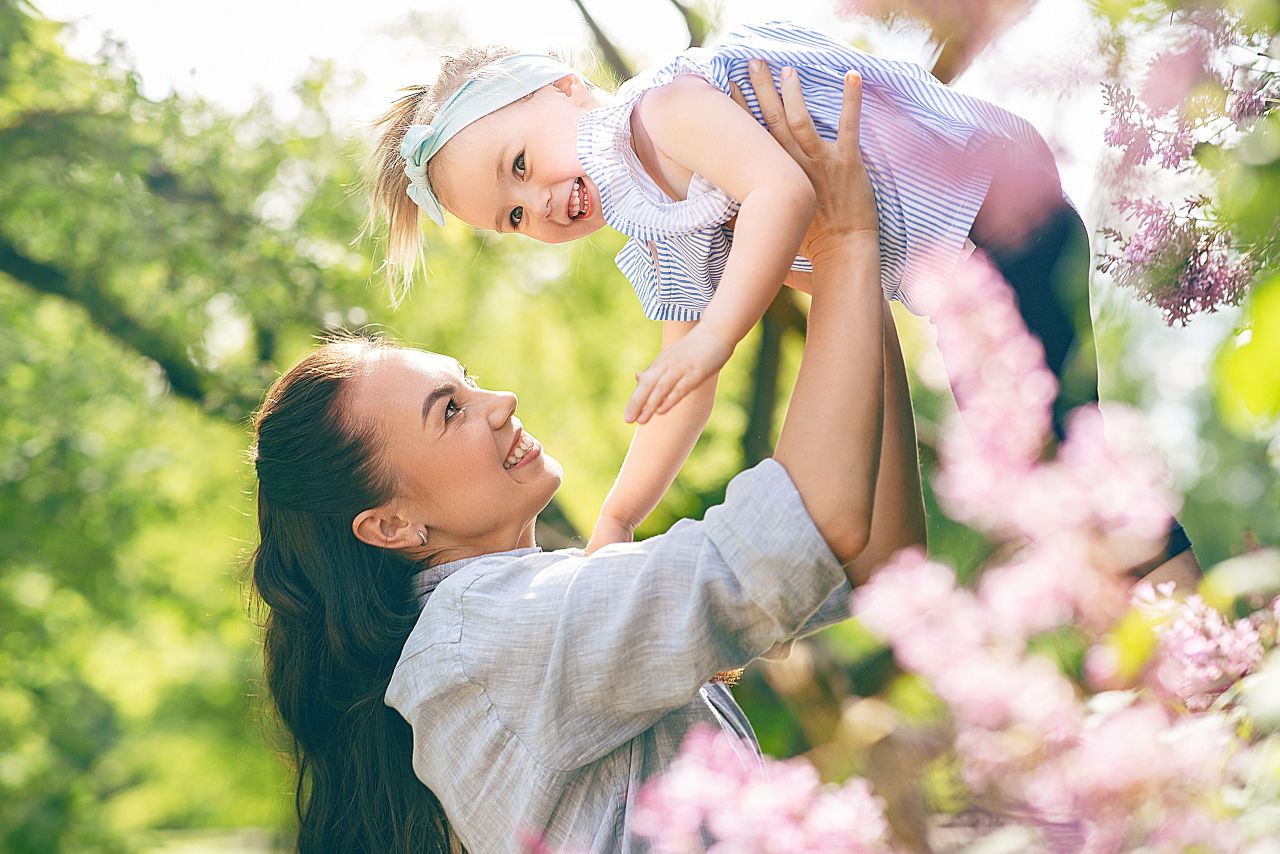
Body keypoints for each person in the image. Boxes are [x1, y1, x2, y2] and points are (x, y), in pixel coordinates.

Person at [253, 72, 925, 852]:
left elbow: (882, 555)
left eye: (467, 383)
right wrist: (843, 243)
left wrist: (851, 272)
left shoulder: (516, 616)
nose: (500, 400)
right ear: (393, 524)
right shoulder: (478, 637)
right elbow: (814, 530)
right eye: (451, 409)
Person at [365, 20, 1198, 582]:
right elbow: (679, 384)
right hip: (958, 272)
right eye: (512, 218)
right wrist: (617, 515)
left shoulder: (665, 110)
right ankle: (1158, 637)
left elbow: (782, 191)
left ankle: (1191, 639)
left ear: (568, 90)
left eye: (518, 163)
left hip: (992, 200)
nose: (536, 203)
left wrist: (716, 335)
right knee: (1029, 480)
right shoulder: (653, 229)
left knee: (1053, 462)